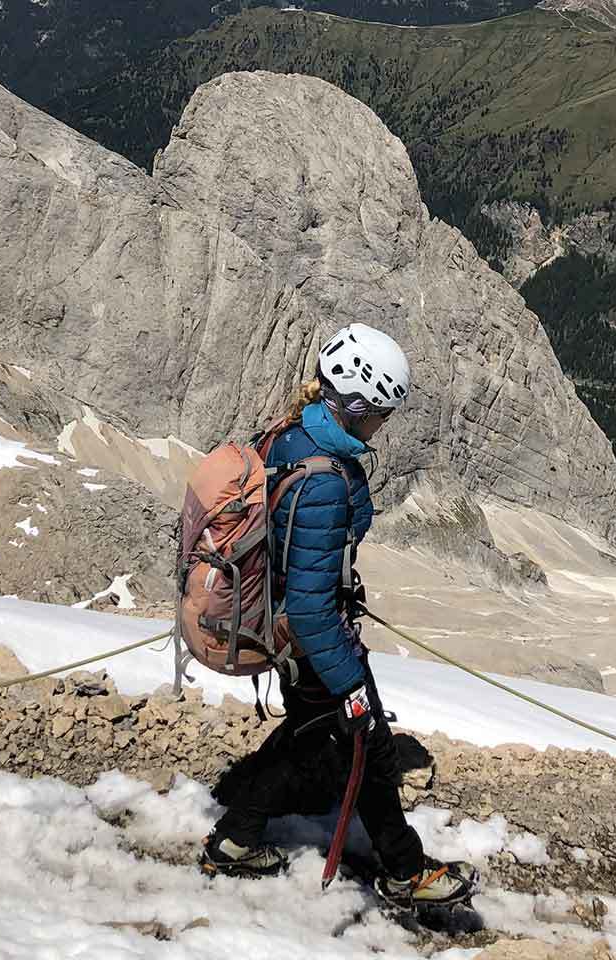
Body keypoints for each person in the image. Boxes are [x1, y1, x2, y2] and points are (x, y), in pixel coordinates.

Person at [200, 322, 477, 909]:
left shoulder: (292, 435)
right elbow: (309, 605)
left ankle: (237, 837)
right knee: (367, 745)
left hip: (280, 622)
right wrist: (350, 681)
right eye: (379, 412)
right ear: (355, 404)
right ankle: (405, 871)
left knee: (308, 738)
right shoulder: (324, 480)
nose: (382, 424)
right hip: (312, 637)